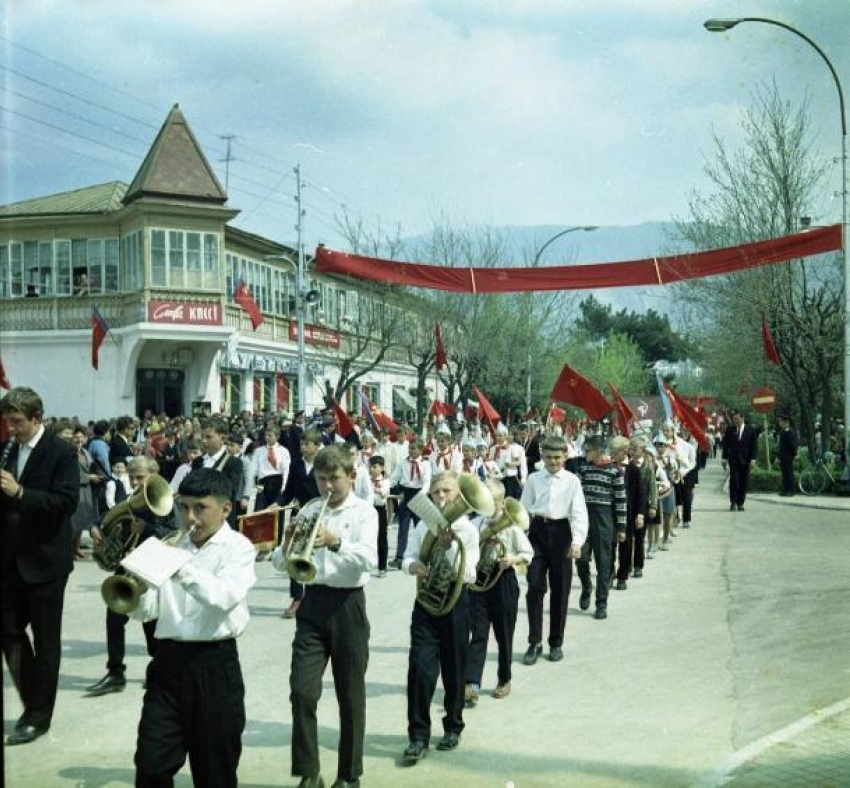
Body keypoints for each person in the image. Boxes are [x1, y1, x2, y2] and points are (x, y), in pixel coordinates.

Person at [133, 469, 256, 787]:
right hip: (167, 664)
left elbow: (224, 596)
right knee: (150, 765)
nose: (189, 517)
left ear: (225, 509)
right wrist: (137, 584)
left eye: (200, 508)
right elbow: (146, 612)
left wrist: (178, 568)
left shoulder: (239, 547)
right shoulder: (167, 545)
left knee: (214, 773)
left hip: (214, 666)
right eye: (183, 507)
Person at [272, 445, 378, 788]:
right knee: (301, 691)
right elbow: (280, 563)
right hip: (313, 604)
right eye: (321, 479)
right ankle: (308, 771)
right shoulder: (309, 509)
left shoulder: (364, 512)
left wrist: (335, 542)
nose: (328, 486)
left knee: (350, 695)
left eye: (334, 478)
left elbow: (370, 560)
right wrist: (286, 545)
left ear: (351, 476)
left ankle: (349, 775)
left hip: (349, 605)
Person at [0, 387, 79, 745]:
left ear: (37, 418)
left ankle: (38, 717)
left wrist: (19, 493)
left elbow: (65, 503)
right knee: (8, 631)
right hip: (10, 559)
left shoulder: (61, 452)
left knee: (46, 643)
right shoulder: (7, 449)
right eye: (8, 421)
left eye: (17, 422)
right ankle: (35, 701)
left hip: (46, 561)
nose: (12, 429)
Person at [402, 470, 481, 763]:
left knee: (454, 668)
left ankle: (453, 726)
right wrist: (412, 566)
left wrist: (448, 551)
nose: (442, 497)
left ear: (458, 495)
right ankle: (418, 735)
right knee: (419, 669)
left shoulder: (468, 531)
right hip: (426, 602)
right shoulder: (423, 525)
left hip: (455, 602)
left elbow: (470, 574)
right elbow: (409, 556)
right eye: (437, 492)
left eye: (447, 491)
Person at [87, 457, 177, 697]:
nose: (135, 482)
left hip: (150, 567)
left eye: (140, 477)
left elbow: (175, 534)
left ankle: (158, 670)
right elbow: (106, 517)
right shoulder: (130, 498)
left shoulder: (166, 501)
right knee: (114, 616)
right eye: (132, 476)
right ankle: (115, 673)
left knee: (151, 621)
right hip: (127, 565)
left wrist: (147, 529)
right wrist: (95, 527)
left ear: (153, 475)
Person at [520, 435, 588, 663]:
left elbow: (579, 513)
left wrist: (577, 542)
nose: (553, 461)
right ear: (542, 456)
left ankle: (556, 643)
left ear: (565, 456)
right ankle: (534, 642)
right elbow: (523, 510)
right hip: (538, 532)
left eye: (557, 457)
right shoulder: (533, 479)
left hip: (562, 534)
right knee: (534, 587)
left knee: (560, 590)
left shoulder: (572, 481)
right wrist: (519, 541)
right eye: (548, 457)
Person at [465, 479, 532, 705]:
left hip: (503, 580)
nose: (488, 506)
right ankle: (471, 683)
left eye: (493, 501)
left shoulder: (512, 527)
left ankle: (504, 679)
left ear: (502, 503)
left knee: (504, 635)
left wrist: (512, 559)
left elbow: (528, 553)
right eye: (484, 501)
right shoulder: (476, 524)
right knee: (478, 634)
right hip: (479, 582)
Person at [576, 434, 627, 621]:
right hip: (584, 518)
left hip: (604, 520)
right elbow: (574, 495)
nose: (585, 453)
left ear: (598, 450)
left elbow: (621, 501)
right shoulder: (583, 469)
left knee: (603, 563)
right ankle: (586, 586)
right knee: (580, 558)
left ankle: (601, 603)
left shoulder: (615, 471)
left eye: (588, 450)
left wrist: (621, 528)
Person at [278, 428, 322, 619]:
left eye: (307, 444)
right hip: (300, 516)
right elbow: (289, 491)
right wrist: (278, 503)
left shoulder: (324, 464)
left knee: (318, 557)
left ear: (317, 446)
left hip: (321, 516)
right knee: (293, 555)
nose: (303, 447)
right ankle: (297, 598)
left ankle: (317, 599)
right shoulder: (296, 464)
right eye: (301, 444)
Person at [388, 437, 431, 569]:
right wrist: (385, 487)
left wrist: (422, 494)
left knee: (421, 528)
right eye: (409, 448)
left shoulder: (426, 464)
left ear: (420, 450)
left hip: (419, 495)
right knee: (403, 528)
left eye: (413, 449)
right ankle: (399, 557)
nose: (410, 451)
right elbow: (394, 478)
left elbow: (427, 481)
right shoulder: (403, 462)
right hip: (406, 495)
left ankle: (423, 557)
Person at [193, 417, 244, 527]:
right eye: (202, 437)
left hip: (221, 520)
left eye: (208, 437)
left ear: (223, 438)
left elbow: (229, 491)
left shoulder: (234, 463)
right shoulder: (197, 461)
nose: (204, 441)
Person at [244, 424, 291, 512]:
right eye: (266, 435)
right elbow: (252, 471)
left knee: (276, 513)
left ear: (277, 436)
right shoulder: (259, 451)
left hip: (278, 483)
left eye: (270, 435)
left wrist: (284, 488)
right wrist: (247, 493)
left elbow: (286, 471)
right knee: (260, 512)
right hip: (263, 484)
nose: (267, 438)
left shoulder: (284, 451)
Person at [721, 411, 758, 511]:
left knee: (743, 481)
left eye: (737, 419)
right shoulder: (730, 430)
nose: (735, 421)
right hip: (733, 460)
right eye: (734, 419)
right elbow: (726, 445)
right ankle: (733, 502)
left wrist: (753, 459)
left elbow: (754, 446)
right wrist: (724, 459)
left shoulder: (750, 430)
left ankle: (740, 503)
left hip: (746, 460)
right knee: (734, 481)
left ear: (742, 418)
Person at [369, 455, 391, 577]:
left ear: (382, 467)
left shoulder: (385, 480)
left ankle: (382, 567)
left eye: (374, 467)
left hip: (380, 509)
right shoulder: (366, 479)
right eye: (370, 467)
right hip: (368, 508)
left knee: (381, 538)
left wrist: (372, 488)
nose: (371, 469)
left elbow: (383, 493)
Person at [778, 414, 798, 497]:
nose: (779, 423)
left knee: (789, 473)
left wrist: (793, 455)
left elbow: (793, 445)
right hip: (783, 456)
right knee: (784, 474)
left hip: (788, 456)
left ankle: (791, 490)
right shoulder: (782, 432)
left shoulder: (790, 432)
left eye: (781, 421)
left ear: (786, 422)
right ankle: (785, 490)